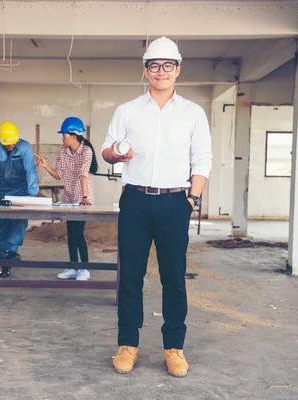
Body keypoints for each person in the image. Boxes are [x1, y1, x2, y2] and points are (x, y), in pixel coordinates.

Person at [100, 37, 212, 377]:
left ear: (178, 69)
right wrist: (117, 154)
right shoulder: (128, 111)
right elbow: (105, 150)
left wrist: (191, 198)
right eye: (154, 65)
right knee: (130, 275)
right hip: (135, 200)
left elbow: (202, 159)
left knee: (173, 277)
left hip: (175, 201)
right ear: (145, 70)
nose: (161, 72)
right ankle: (127, 345)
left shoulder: (193, 113)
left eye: (168, 65)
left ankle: (173, 347)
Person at [35, 117, 98, 281]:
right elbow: (58, 175)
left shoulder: (87, 151)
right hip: (69, 197)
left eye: (64, 135)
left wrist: (85, 197)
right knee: (70, 233)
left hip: (84, 198)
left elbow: (83, 174)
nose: (62, 138)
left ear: (74, 135)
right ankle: (73, 267)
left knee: (78, 233)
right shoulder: (64, 151)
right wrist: (45, 165)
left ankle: (85, 268)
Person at [0, 121, 39, 278]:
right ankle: (8, 259)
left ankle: (6, 257)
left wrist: (32, 196)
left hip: (20, 191)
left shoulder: (24, 147)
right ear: (0, 140)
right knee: (3, 227)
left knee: (19, 222)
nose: (10, 145)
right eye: (7, 143)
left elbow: (31, 171)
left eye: (12, 142)